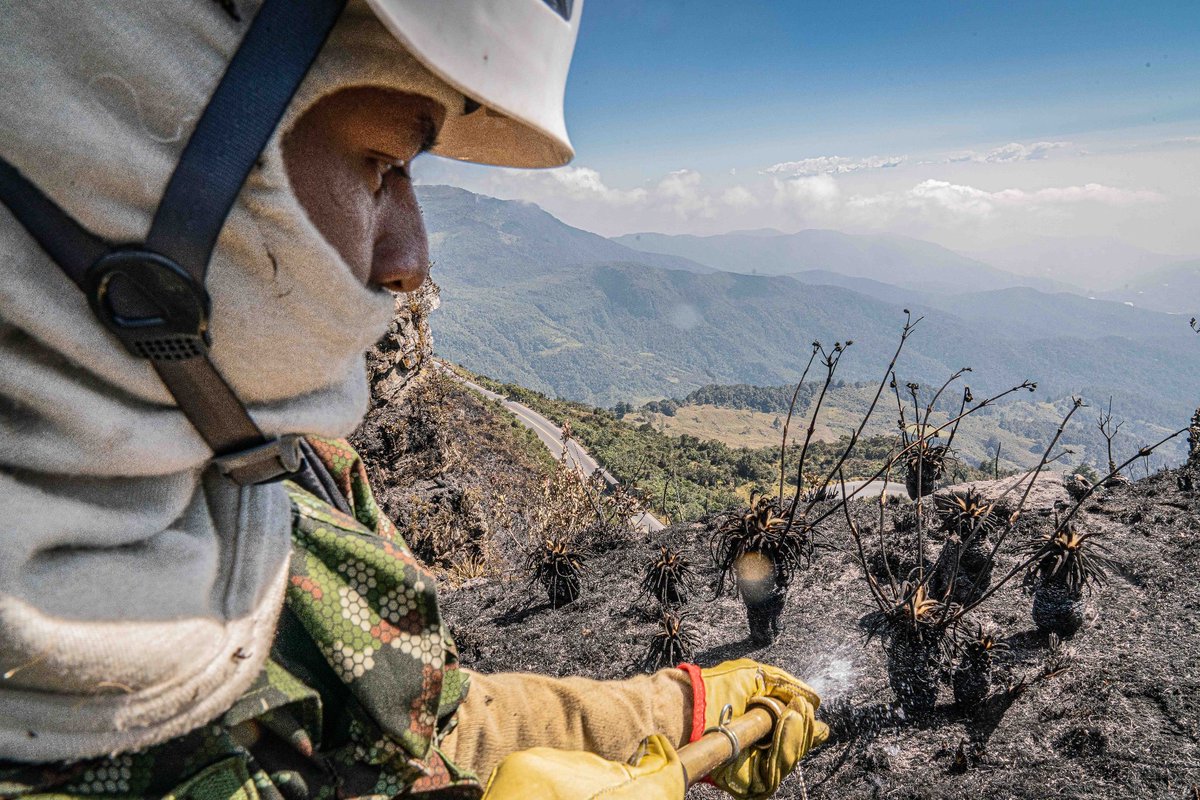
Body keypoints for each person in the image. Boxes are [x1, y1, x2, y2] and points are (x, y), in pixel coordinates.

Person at [0, 1, 828, 797]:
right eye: (381, 164)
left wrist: (682, 711)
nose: (412, 259)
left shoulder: (294, 485)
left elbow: (425, 733)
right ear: (116, 143)